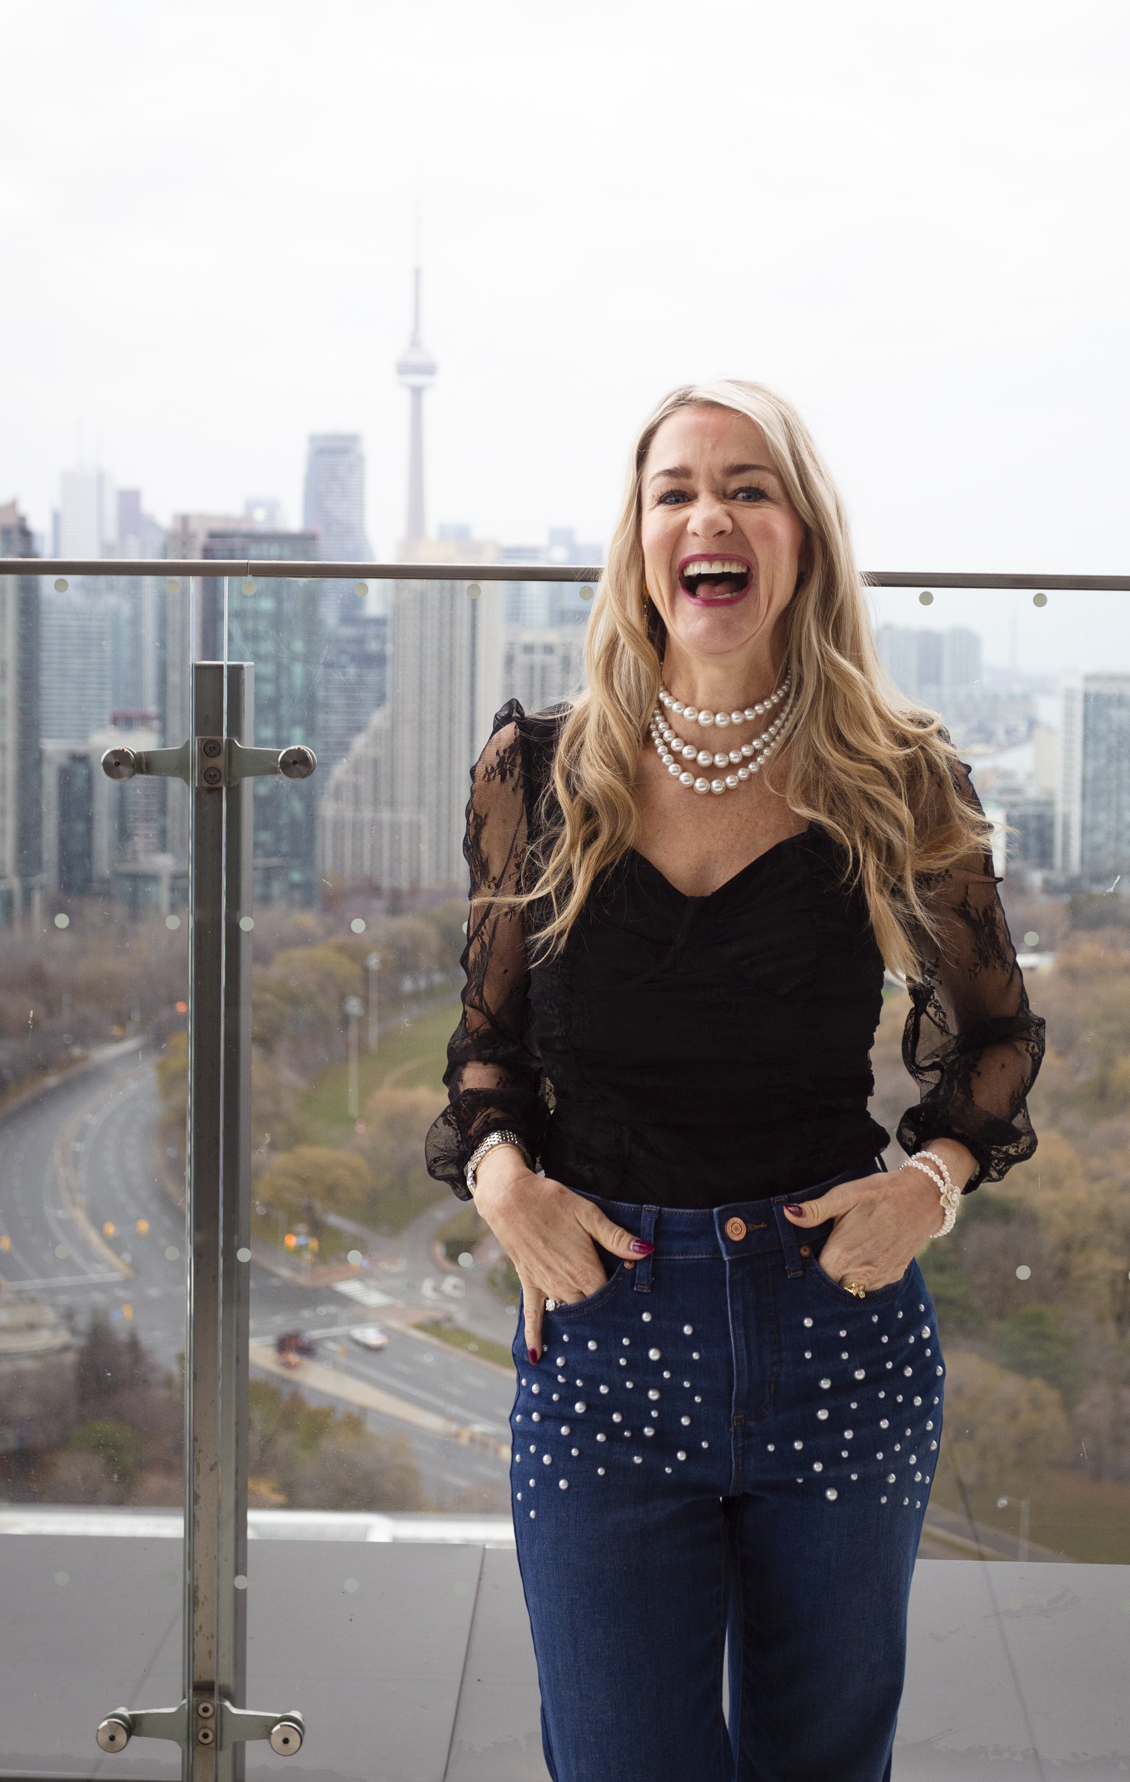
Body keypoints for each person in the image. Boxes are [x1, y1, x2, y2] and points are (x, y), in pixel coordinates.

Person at [426, 380, 1044, 1782]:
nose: (712, 514)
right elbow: (485, 1049)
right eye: (677, 491)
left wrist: (930, 1189)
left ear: (803, 539)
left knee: (824, 1764)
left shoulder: (900, 775)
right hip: (602, 1338)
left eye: (750, 487)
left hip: (839, 1330)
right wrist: (499, 1174)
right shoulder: (539, 770)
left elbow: (1000, 1039)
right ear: (640, 543)